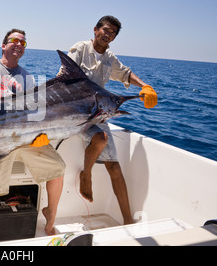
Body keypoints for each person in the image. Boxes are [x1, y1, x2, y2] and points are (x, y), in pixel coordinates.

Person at [0, 13, 66, 246]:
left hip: (25, 137)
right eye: (14, 41)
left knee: (58, 167)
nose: (19, 44)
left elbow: (36, 112)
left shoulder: (28, 77)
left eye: (23, 43)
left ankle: (50, 218)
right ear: (3, 45)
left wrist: (40, 135)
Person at [59, 15, 158, 225]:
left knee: (114, 166)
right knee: (101, 138)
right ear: (95, 30)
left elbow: (125, 74)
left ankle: (128, 220)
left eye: (112, 33)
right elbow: (63, 78)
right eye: (105, 30)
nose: (108, 34)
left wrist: (145, 86)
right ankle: (86, 175)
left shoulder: (110, 58)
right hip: (73, 114)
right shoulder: (80, 49)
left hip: (97, 115)